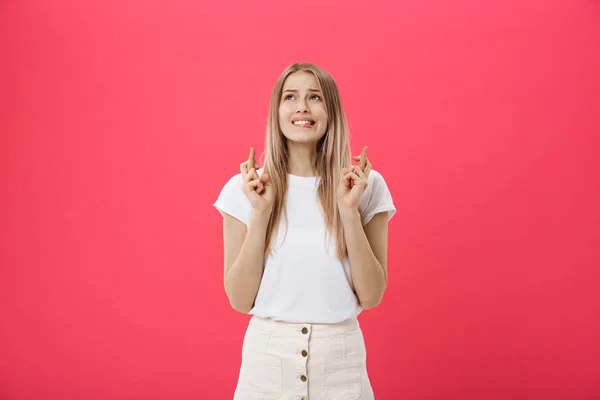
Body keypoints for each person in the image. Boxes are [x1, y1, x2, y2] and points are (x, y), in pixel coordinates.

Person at [213, 62, 396, 400]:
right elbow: (240, 300)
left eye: (314, 97)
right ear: (277, 110)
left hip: (341, 363)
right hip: (266, 367)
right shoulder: (245, 189)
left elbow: (371, 295)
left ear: (330, 110)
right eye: (290, 97)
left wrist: (349, 211)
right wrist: (261, 213)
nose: (302, 107)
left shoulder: (365, 186)